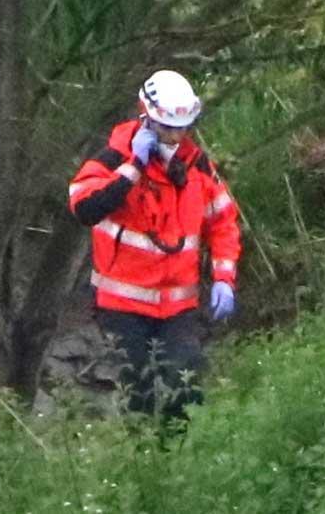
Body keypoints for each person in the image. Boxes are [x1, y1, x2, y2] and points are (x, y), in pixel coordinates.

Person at [68, 69, 241, 421]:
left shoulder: (197, 166)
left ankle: (176, 462)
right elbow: (84, 208)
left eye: (183, 128)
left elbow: (223, 221)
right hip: (122, 307)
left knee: (186, 386)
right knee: (139, 396)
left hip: (177, 308)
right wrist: (134, 167)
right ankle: (142, 466)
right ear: (146, 118)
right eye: (167, 128)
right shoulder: (113, 158)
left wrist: (223, 277)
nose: (176, 136)